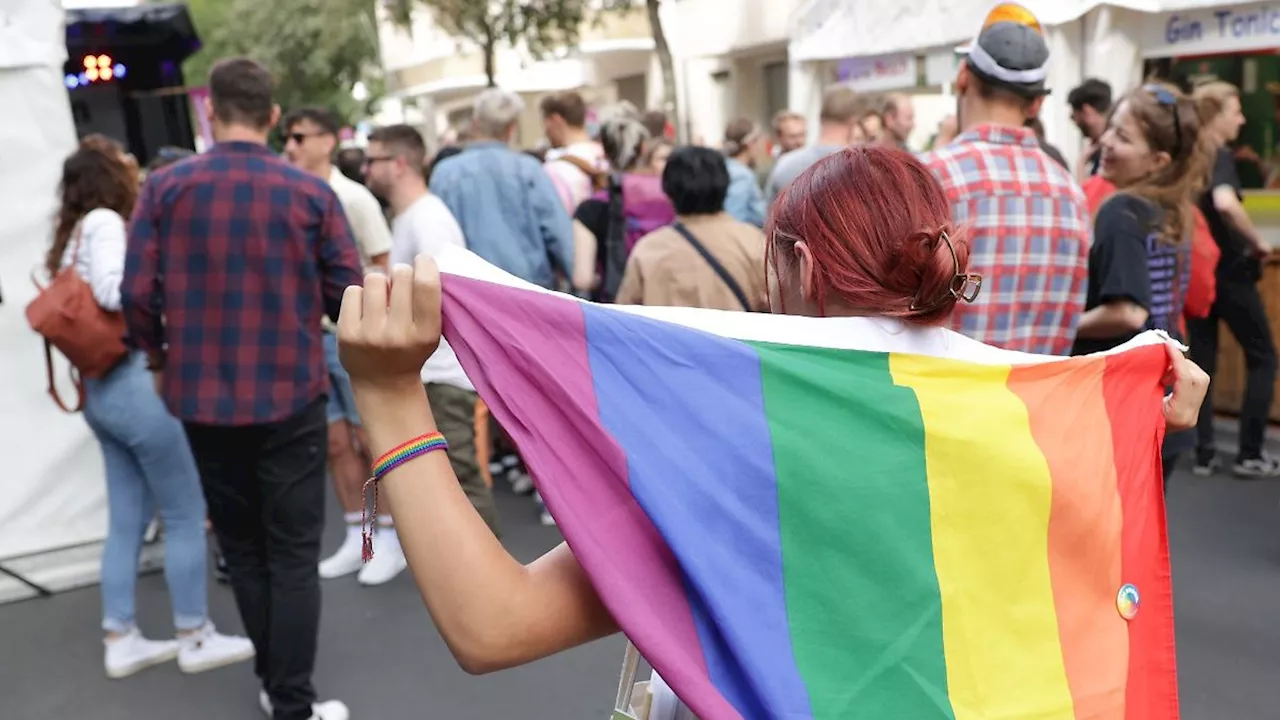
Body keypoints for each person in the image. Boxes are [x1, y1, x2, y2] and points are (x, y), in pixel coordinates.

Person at [333, 144, 1210, 718]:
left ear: (793, 267)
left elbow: (494, 626)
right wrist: (1135, 394)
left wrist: (387, 398)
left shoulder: (744, 455)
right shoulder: (1028, 431)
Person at [121, 57, 360, 720]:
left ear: (209, 110)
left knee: (243, 545)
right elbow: (350, 295)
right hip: (291, 393)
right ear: (275, 116)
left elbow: (136, 293)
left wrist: (160, 357)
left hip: (201, 400)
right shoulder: (310, 194)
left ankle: (276, 681)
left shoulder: (164, 189)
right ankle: (291, 699)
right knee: (290, 551)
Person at [48, 138, 254, 681]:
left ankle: (121, 636)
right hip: (138, 387)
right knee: (185, 511)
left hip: (101, 392)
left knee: (127, 518)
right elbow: (120, 293)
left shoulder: (72, 234)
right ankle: (195, 634)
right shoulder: (108, 224)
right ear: (109, 179)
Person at [920, 5, 1089, 356]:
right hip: (1038, 405)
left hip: (941, 403)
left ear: (962, 77)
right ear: (1036, 104)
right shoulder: (1070, 192)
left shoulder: (930, 176)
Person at [363, 123, 501, 536]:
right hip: (432, 371)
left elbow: (442, 299)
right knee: (449, 479)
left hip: (443, 372)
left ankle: (490, 585)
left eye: (374, 159)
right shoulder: (411, 216)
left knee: (461, 478)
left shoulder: (428, 219)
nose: (366, 169)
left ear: (400, 164)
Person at [283, 105, 401, 585]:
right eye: (287, 137)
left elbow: (383, 266)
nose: (289, 145)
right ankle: (359, 535)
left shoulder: (353, 198)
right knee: (335, 442)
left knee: (371, 438)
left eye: (297, 136)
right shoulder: (289, 193)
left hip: (348, 333)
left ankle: (389, 538)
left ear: (326, 140)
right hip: (309, 335)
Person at [1071, 83, 1212, 485]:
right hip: (1161, 394)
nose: (1106, 141)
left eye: (1124, 137)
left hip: (1123, 402)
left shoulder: (1120, 210)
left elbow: (1128, 311)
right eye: (1111, 128)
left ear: (1158, 160)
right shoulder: (1174, 211)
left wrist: (1062, 326)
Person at [1189, 80, 1280, 478]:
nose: (1242, 119)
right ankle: (1249, 453)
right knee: (1264, 357)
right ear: (1215, 115)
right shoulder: (1218, 157)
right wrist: (1258, 241)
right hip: (1231, 274)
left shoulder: (1189, 158)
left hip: (1200, 277)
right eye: (1235, 111)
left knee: (1203, 361)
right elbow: (1226, 203)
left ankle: (1205, 452)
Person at [428, 88, 574, 289]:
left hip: (470, 291)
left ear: (476, 122)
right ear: (511, 128)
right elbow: (558, 233)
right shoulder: (528, 169)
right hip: (529, 290)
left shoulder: (445, 173)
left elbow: (437, 237)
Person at [616, 145, 767, 311]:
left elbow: (625, 319)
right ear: (725, 184)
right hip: (735, 337)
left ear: (668, 190)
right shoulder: (754, 242)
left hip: (669, 337)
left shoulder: (648, 250)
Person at [574, 112, 675, 302]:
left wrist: (605, 279)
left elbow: (582, 279)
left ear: (603, 151)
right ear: (644, 149)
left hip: (617, 311)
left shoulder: (591, 208)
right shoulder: (670, 198)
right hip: (666, 304)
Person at [765, 85, 862, 202]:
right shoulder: (860, 167)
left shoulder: (784, 165)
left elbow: (769, 216)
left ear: (820, 118)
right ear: (853, 121)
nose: (798, 141)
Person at [540, 90, 608, 214]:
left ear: (556, 120)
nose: (545, 131)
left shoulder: (554, 170)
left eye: (545, 123)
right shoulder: (608, 156)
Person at [720, 118, 768, 227]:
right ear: (751, 144)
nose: (762, 147)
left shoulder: (726, 167)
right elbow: (734, 218)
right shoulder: (741, 175)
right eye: (760, 141)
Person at [1068, 78, 1112, 179]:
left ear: (1087, 112)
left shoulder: (1108, 154)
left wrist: (1080, 165)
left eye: (1073, 116)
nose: (1075, 122)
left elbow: (1089, 194)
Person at [757, 109, 809, 187]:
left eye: (802, 135)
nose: (799, 141)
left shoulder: (814, 165)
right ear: (778, 137)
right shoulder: (769, 170)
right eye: (793, 137)